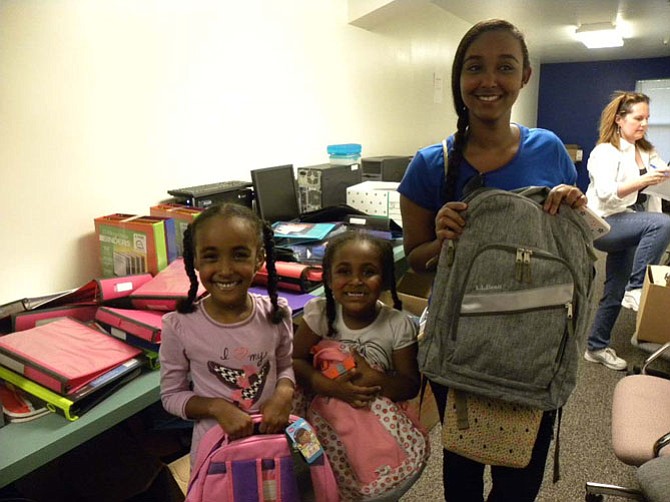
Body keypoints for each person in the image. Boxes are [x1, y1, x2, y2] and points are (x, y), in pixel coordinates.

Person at [398, 19, 587, 501]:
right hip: (461, 341)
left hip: (536, 338)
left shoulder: (549, 149)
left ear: (524, 76)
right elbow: (416, 263)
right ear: (459, 76)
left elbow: (568, 248)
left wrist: (571, 202)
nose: (489, 81)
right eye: (475, 67)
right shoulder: (430, 164)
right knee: (461, 472)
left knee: (520, 479)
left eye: (505, 67)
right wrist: (442, 241)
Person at [159, 203, 295, 468]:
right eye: (211, 256)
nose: (225, 269)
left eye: (239, 255)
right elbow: (171, 396)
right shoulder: (179, 326)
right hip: (216, 453)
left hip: (271, 443)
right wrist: (216, 408)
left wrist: (283, 394)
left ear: (259, 259)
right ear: (195, 260)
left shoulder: (277, 313)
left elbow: (286, 367)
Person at [292, 231, 424, 501]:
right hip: (327, 419)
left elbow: (410, 385)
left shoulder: (397, 325)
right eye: (343, 271)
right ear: (328, 278)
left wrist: (371, 376)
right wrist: (331, 387)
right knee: (325, 483)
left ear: (386, 279)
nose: (355, 281)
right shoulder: (320, 314)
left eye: (368, 272)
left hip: (374, 426)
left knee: (378, 480)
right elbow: (294, 361)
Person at [583, 91, 670, 371]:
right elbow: (608, 194)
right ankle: (637, 288)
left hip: (631, 223)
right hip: (604, 223)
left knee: (613, 289)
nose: (643, 123)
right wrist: (642, 180)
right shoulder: (604, 152)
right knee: (663, 223)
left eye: (647, 118)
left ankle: (596, 346)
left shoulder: (647, 151)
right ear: (620, 119)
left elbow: (659, 181)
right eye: (637, 118)